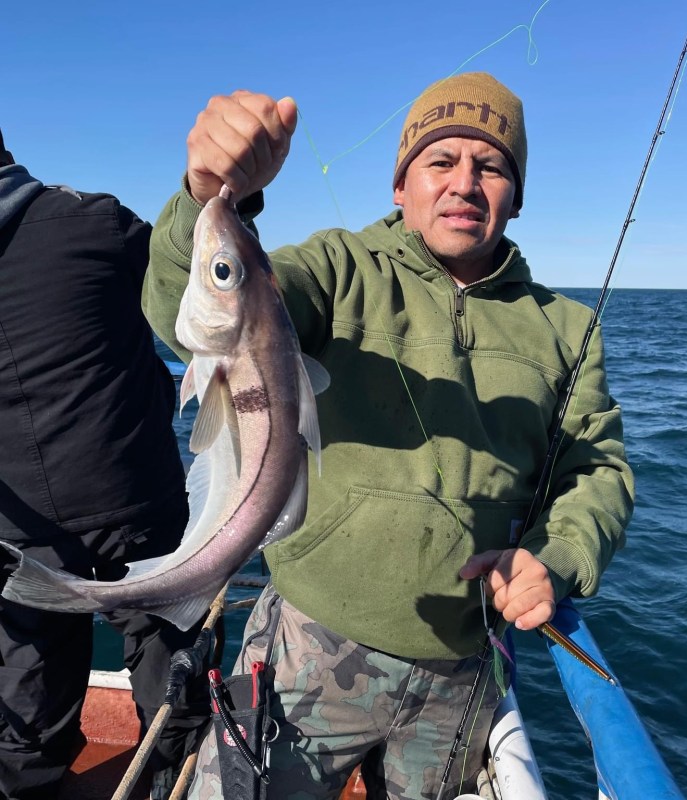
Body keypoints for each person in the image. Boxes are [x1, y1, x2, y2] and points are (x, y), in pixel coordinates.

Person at [143, 72, 635, 800]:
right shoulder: (335, 269)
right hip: (306, 645)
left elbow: (599, 471)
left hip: (461, 674)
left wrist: (555, 557)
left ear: (517, 196)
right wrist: (206, 197)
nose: (465, 181)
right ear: (401, 185)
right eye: (440, 161)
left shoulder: (567, 328)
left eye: (491, 165)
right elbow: (200, 306)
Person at [0, 129, 210, 800]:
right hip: (134, 498)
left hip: (22, 530)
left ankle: (28, 785)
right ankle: (172, 778)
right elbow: (189, 279)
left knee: (28, 698)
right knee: (169, 667)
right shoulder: (93, 219)